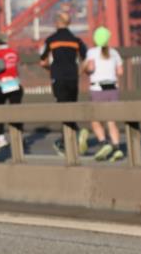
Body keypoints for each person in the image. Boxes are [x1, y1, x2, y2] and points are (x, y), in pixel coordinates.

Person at [40, 11, 89, 156]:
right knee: (71, 107)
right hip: (72, 77)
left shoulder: (51, 40)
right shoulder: (76, 40)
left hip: (58, 77)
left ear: (57, 22)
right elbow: (86, 59)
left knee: (62, 109)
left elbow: (42, 61)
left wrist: (51, 69)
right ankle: (72, 138)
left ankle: (68, 140)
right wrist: (79, 72)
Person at [84, 27, 125, 162]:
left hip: (98, 89)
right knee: (111, 121)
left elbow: (90, 68)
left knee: (95, 119)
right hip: (112, 88)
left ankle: (104, 143)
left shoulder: (91, 52)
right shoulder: (114, 52)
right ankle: (117, 148)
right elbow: (120, 72)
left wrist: (85, 69)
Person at [0, 33, 22, 155]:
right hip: (16, 84)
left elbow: (1, 66)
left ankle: (1, 137)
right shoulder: (14, 52)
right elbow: (16, 67)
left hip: (3, 85)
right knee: (16, 112)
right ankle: (18, 136)